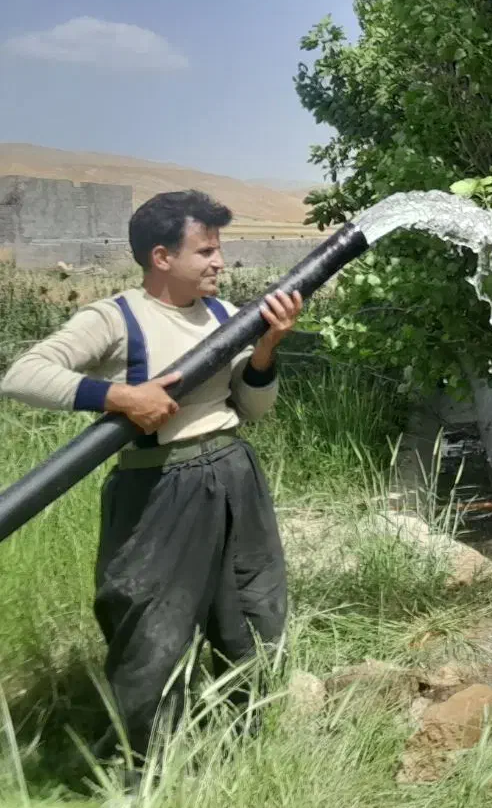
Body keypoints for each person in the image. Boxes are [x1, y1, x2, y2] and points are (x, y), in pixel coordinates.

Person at [0, 190, 304, 769]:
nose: (219, 262)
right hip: (158, 490)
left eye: (219, 250)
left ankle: (246, 743)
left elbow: (254, 408)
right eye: (206, 251)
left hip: (233, 475)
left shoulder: (223, 316)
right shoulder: (115, 318)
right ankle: (142, 769)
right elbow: (22, 375)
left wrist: (266, 349)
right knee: (150, 633)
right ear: (161, 257)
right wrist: (118, 395)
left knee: (252, 612)